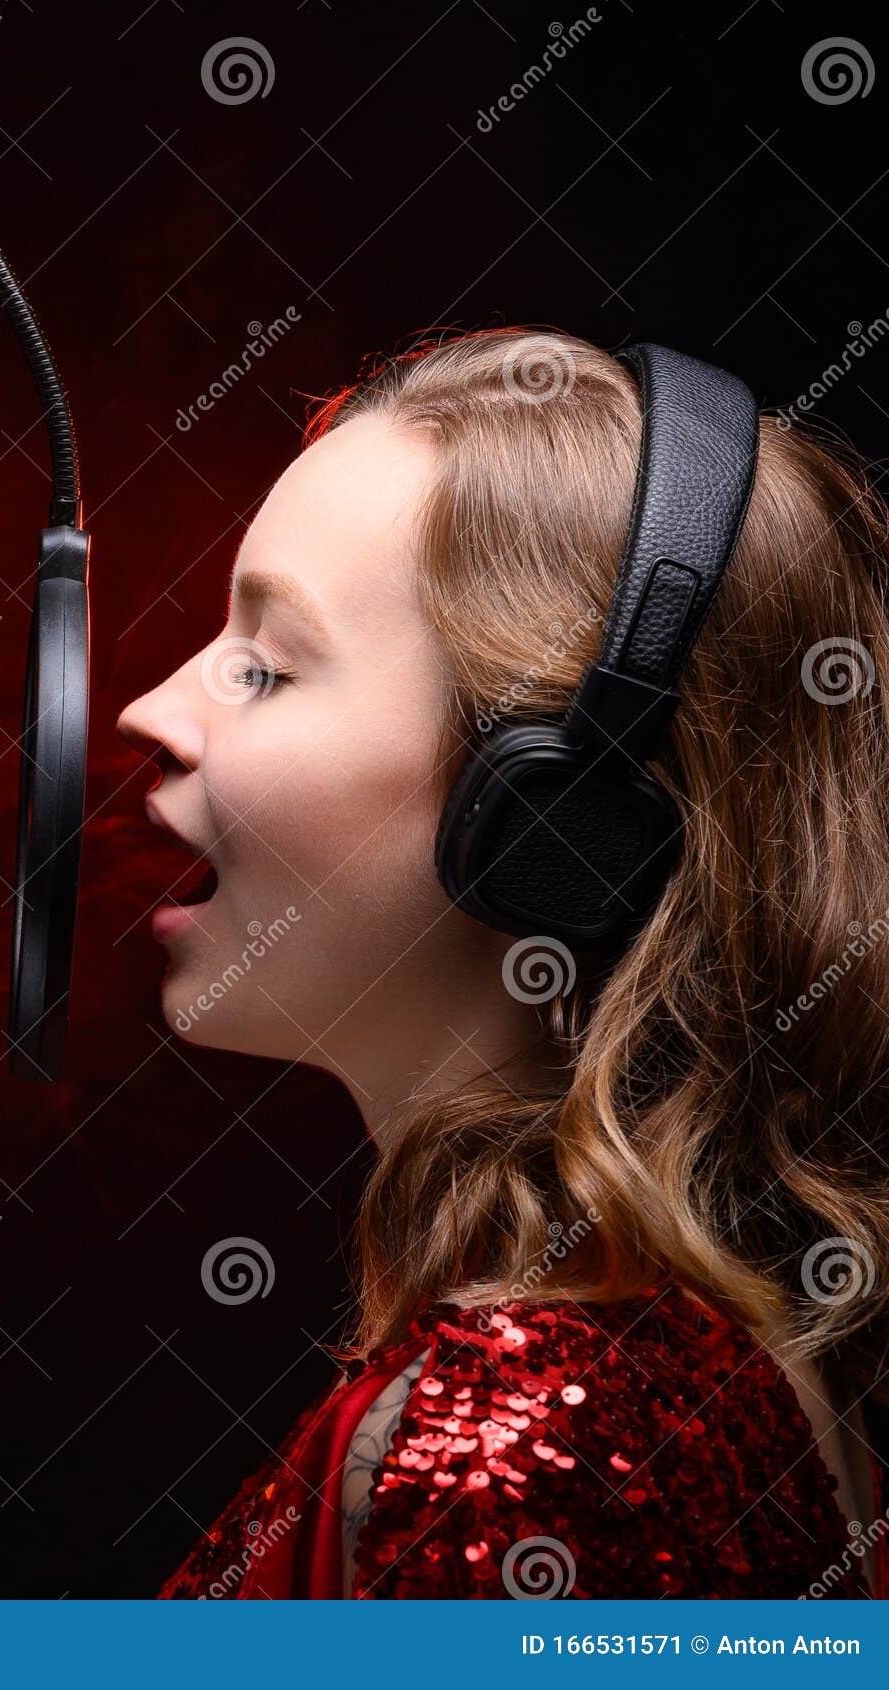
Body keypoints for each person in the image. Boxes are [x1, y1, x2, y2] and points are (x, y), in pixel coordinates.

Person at [115, 328, 889, 1599]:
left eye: (266, 664)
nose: (153, 709)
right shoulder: (711, 1370)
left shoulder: (528, 1456)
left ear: (548, 825)